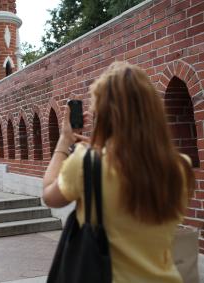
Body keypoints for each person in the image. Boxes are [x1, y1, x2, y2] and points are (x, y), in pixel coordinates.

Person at [42, 61, 194, 283]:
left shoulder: (86, 162)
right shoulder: (180, 166)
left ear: (103, 114)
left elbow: (49, 195)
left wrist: (64, 142)